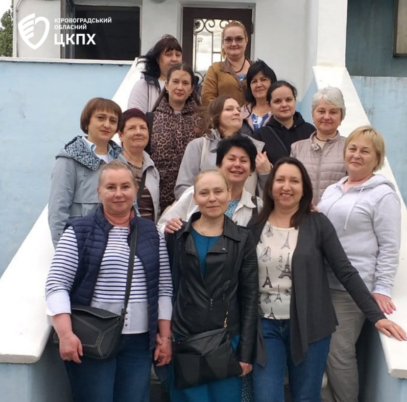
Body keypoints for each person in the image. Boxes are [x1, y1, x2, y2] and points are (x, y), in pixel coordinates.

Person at [247, 157, 407, 402]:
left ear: (304, 188)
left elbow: (345, 271)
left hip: (311, 324)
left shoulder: (317, 224)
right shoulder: (256, 225)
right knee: (267, 396)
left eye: (294, 181)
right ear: (270, 186)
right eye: (280, 180)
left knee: (306, 396)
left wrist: (376, 316)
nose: (286, 186)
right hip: (266, 326)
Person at [45, 161, 173, 402]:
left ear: (134, 190)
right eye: (111, 187)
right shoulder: (78, 231)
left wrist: (165, 336)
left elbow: (164, 287)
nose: (118, 193)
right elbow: (57, 285)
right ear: (99, 192)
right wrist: (65, 333)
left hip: (139, 341)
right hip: (92, 337)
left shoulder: (152, 232)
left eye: (125, 186)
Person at [318, 126, 401, 402]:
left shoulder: (382, 195)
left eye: (365, 151)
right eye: (352, 148)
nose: (356, 155)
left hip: (351, 289)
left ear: (377, 159)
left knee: (338, 352)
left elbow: (390, 245)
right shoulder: (333, 189)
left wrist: (382, 288)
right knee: (321, 351)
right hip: (322, 282)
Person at [166, 169, 258, 402]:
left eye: (218, 191)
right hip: (185, 338)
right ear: (195, 197)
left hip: (227, 340)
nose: (212, 198)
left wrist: (245, 352)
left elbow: (250, 297)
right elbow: (170, 285)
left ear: (229, 193)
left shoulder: (243, 239)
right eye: (204, 193)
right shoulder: (178, 235)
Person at [48, 97, 124, 247]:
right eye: (100, 118)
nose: (107, 124)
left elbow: (132, 206)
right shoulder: (69, 159)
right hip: (82, 248)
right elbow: (58, 211)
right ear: (87, 122)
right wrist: (65, 252)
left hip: (117, 247)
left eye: (113, 121)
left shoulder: (121, 160)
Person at [159, 134, 262, 234]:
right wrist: (168, 228)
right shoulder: (194, 193)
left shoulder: (257, 206)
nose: (237, 164)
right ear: (219, 164)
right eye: (231, 159)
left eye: (243, 160)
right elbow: (160, 227)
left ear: (252, 169)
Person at [174, 95, 271, 200]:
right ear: (215, 116)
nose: (237, 112)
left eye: (239, 110)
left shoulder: (255, 147)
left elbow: (267, 194)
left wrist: (266, 174)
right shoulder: (199, 146)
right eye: (229, 109)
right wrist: (206, 204)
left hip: (245, 209)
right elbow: (183, 189)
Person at [149, 63, 201, 211]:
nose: (180, 87)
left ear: (191, 89)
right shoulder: (151, 119)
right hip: (157, 200)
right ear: (166, 85)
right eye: (175, 82)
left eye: (185, 83)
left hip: (193, 200)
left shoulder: (202, 121)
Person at [291, 87, 348, 204]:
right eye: (321, 111)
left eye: (333, 112)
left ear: (341, 116)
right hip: (303, 213)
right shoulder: (297, 148)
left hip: (335, 213)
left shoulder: (349, 148)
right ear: (313, 115)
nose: (326, 117)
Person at [252, 81, 315, 165]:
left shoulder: (310, 131)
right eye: (277, 101)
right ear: (269, 105)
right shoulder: (260, 136)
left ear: (295, 101)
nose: (284, 105)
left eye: (288, 100)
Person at [118, 108, 160, 222]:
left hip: (147, 231)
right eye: (132, 128)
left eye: (143, 128)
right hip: (119, 230)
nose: (138, 132)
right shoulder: (112, 165)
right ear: (121, 135)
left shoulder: (152, 169)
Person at [201, 21, 251, 107]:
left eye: (239, 39)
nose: (234, 43)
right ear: (223, 42)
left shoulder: (257, 69)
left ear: (246, 40)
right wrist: (229, 111)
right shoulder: (215, 69)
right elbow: (207, 99)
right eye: (228, 40)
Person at [128, 35, 183, 112]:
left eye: (178, 55)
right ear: (157, 59)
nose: (174, 59)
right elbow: (135, 116)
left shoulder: (190, 86)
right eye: (168, 54)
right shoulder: (144, 86)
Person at [242, 60, 277, 132]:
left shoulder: (281, 110)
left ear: (272, 83)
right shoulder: (241, 113)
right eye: (254, 81)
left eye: (263, 79)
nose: (259, 85)